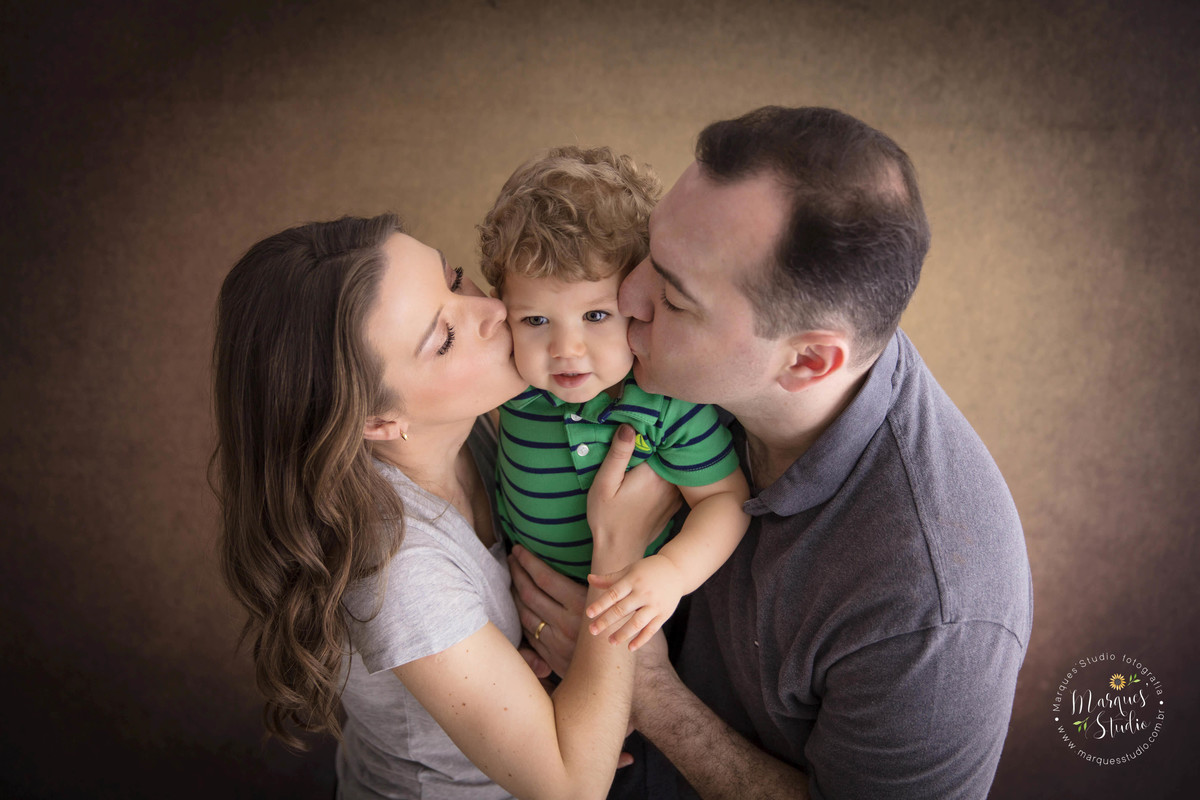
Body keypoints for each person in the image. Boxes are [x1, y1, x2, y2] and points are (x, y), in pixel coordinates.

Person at [509, 106, 1034, 799]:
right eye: (645, 257)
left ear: (809, 362)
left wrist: (647, 694)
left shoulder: (931, 608)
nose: (625, 297)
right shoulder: (698, 367)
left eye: (670, 294)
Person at [212, 214, 677, 799]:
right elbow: (570, 786)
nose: (493, 312)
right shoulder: (398, 573)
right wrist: (619, 551)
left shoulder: (468, 431)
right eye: (445, 338)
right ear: (380, 421)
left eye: (455, 280)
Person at [478, 146, 750, 651]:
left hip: (639, 615)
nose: (565, 350)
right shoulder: (513, 383)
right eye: (535, 320)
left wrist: (670, 573)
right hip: (525, 607)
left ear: (638, 303)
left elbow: (725, 500)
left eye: (596, 316)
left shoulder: (667, 403)